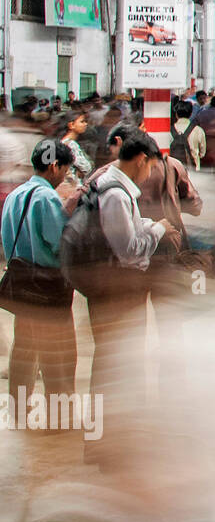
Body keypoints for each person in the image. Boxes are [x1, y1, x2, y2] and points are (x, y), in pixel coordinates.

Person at [70, 131, 181, 468]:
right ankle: (106, 449)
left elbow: (127, 229)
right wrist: (160, 229)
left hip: (107, 289)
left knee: (113, 366)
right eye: (151, 167)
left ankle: (109, 443)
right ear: (141, 161)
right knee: (111, 368)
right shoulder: (116, 194)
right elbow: (130, 250)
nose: (151, 175)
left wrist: (151, 224)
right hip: (113, 291)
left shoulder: (108, 184)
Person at [2, 139, 77, 406]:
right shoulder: (45, 198)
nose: (66, 176)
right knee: (56, 352)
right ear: (55, 166)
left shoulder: (15, 195)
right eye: (66, 169)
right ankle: (59, 410)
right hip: (46, 288)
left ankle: (18, 404)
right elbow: (60, 244)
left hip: (21, 285)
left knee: (24, 347)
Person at [56, 108, 93, 190]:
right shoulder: (71, 145)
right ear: (71, 125)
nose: (85, 124)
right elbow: (87, 168)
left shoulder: (61, 142)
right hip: (73, 186)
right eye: (82, 122)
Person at [169, 100, 206, 170]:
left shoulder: (169, 131)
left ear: (176, 114)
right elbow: (202, 153)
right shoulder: (198, 130)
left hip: (174, 170)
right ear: (191, 113)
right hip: (193, 169)